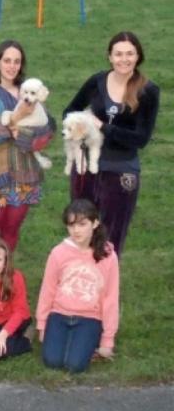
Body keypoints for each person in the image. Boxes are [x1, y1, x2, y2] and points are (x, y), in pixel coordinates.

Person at [63, 32, 159, 257]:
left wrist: (103, 127)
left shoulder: (148, 91)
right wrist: (81, 125)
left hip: (121, 171)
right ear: (109, 56)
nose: (123, 59)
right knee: (81, 229)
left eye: (129, 54)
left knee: (111, 236)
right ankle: (78, 284)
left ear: (138, 57)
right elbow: (70, 111)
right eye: (118, 54)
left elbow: (141, 139)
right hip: (86, 168)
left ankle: (105, 288)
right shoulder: (97, 82)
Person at [0, 40, 55, 254]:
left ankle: (5, 278)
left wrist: (22, 135)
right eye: (7, 60)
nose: (12, 66)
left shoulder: (30, 89)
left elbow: (47, 128)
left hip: (24, 170)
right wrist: (18, 117)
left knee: (11, 227)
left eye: (17, 61)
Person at [36, 199, 119, 373]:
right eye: (71, 225)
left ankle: (88, 341)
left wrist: (107, 340)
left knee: (75, 365)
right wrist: (42, 325)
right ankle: (70, 340)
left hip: (90, 317)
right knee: (52, 361)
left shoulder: (108, 255)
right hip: (59, 313)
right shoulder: (58, 253)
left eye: (82, 224)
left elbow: (111, 297)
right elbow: (48, 290)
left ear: (95, 223)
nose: (76, 230)